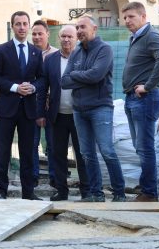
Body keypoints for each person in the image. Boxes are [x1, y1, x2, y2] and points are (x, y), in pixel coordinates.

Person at [61, 15, 126, 202]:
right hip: (79, 110)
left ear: (94, 28)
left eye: (83, 27)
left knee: (106, 150)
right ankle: (96, 194)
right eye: (77, 27)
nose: (79, 31)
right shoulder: (76, 52)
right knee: (87, 154)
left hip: (100, 108)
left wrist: (75, 75)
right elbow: (64, 81)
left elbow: (96, 75)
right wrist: (82, 77)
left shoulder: (105, 49)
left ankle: (119, 193)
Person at [0, 11, 45, 200]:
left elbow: (42, 78)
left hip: (28, 109)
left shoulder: (36, 52)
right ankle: (0, 190)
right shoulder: (1, 49)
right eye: (18, 24)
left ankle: (28, 193)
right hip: (7, 108)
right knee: (3, 149)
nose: (22, 27)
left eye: (24, 24)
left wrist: (33, 87)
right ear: (12, 27)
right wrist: (14, 87)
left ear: (28, 26)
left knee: (28, 151)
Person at [121, 1, 159, 202]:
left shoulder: (151, 35)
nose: (127, 21)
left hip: (145, 98)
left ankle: (150, 193)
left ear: (143, 17)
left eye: (131, 16)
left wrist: (148, 86)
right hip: (133, 99)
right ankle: (146, 187)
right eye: (125, 17)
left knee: (145, 146)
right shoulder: (135, 38)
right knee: (140, 146)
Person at [38, 25, 90, 201]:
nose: (66, 40)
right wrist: (41, 113)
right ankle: (62, 190)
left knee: (82, 154)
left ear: (76, 38)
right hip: (57, 115)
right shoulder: (51, 60)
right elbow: (43, 89)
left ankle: (86, 190)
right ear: (58, 38)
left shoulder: (84, 57)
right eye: (63, 36)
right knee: (58, 154)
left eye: (70, 36)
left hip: (79, 115)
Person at [31, 20, 58, 188]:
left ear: (48, 33)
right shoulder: (27, 53)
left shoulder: (56, 54)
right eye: (34, 34)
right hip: (31, 106)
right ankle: (33, 176)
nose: (36, 37)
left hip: (52, 106)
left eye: (40, 33)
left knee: (53, 143)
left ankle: (54, 177)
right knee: (31, 144)